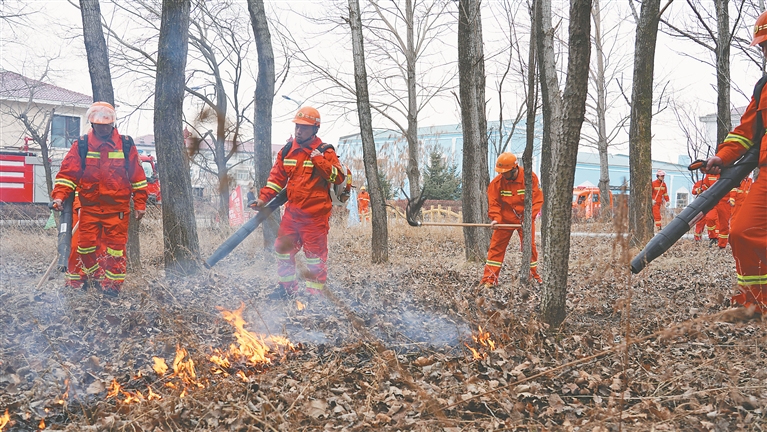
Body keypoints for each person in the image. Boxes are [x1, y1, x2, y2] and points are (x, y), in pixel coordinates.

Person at [702, 11, 767, 313]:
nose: (765, 51)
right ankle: (755, 303)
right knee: (741, 232)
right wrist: (722, 156)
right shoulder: (763, 87)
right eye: (763, 46)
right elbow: (745, 132)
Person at [52, 102, 147, 297]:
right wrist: (59, 196)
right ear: (92, 124)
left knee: (115, 251)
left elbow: (138, 178)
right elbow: (67, 175)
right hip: (90, 208)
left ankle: (112, 288)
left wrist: (140, 204)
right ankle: (94, 277)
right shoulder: (82, 145)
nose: (103, 128)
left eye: (106, 124)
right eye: (99, 125)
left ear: (112, 123)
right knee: (84, 247)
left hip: (117, 210)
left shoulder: (125, 144)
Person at [253, 106, 346, 298]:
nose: (299, 131)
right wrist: (263, 199)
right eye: (297, 126)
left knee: (315, 258)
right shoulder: (288, 151)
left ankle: (314, 296)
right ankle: (287, 290)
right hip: (292, 215)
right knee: (282, 250)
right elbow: (276, 179)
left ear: (315, 129)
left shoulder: (325, 151)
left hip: (315, 218)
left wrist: (319, 160)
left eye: (304, 127)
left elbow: (338, 177)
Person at [480, 152, 544, 287]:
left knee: (530, 247)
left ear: (514, 169)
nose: (502, 175)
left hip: (525, 220)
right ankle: (489, 280)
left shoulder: (530, 178)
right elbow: (494, 204)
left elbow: (537, 200)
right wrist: (496, 219)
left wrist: (529, 218)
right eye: (500, 172)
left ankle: (532, 277)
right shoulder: (496, 183)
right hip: (504, 219)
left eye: (505, 172)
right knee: (496, 248)